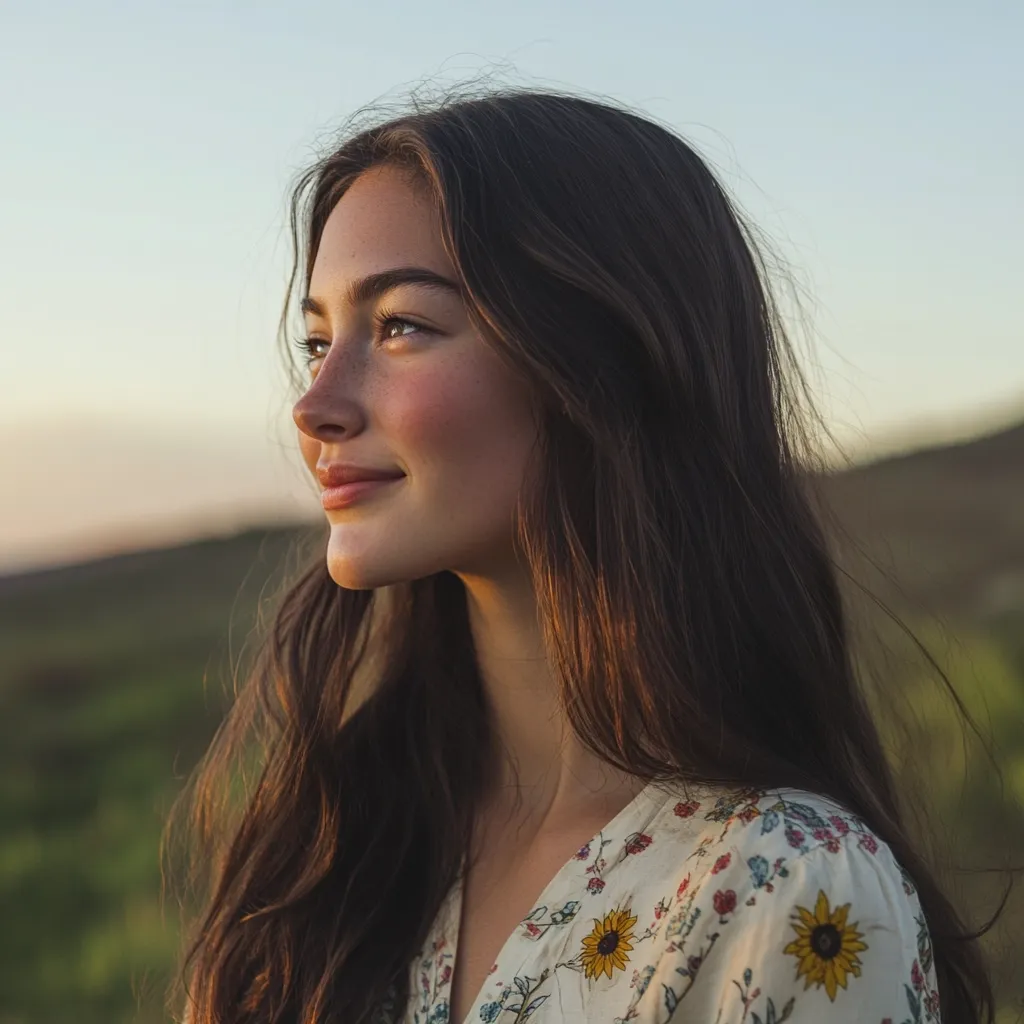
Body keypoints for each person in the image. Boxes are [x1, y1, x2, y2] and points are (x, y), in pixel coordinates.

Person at [172, 87, 997, 1023]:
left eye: (400, 325)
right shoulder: (346, 847)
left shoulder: (790, 890)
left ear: (598, 363)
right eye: (318, 341)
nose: (315, 402)